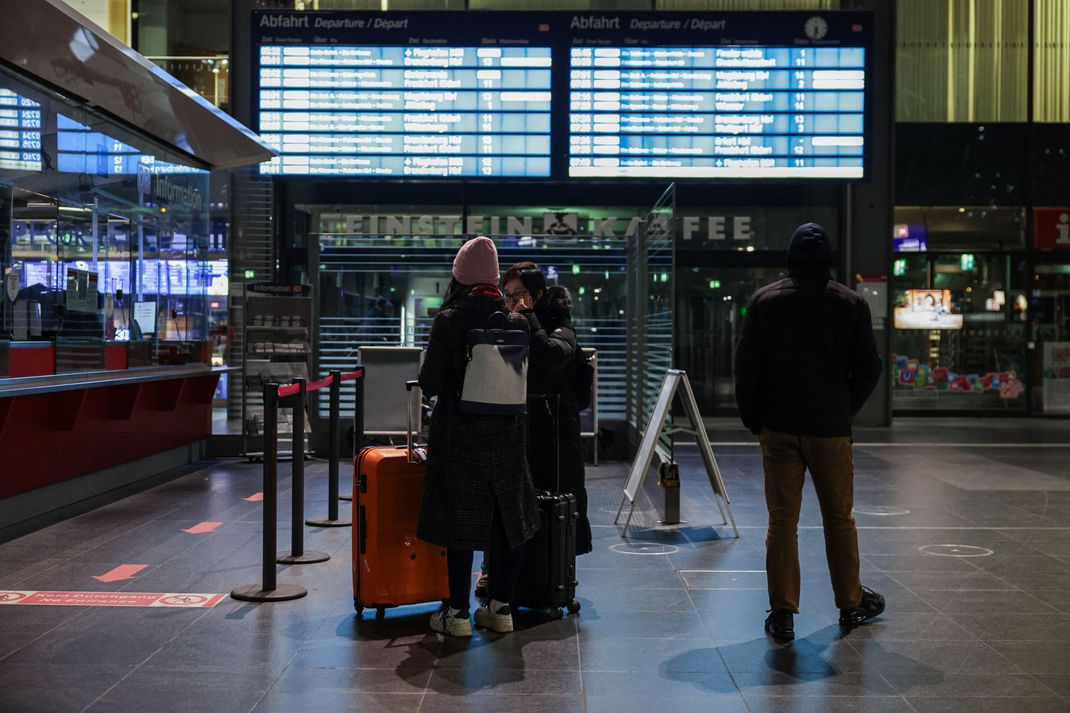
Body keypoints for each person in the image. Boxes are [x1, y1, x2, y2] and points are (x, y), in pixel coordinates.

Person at [734, 223, 885, 642]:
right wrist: (844, 406)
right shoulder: (850, 304)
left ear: (790, 257)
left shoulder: (764, 302)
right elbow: (870, 366)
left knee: (782, 520)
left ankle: (783, 614)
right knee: (839, 519)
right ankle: (850, 603)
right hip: (830, 429)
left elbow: (746, 367)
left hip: (780, 427)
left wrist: (755, 418)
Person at [417, 237, 541, 638]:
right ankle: (501, 609)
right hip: (507, 437)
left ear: (459, 277)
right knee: (511, 518)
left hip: (459, 437)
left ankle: (456, 615)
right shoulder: (517, 321)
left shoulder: (451, 319)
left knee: (459, 524)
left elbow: (431, 382)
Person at [503, 262, 593, 556]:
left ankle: (553, 567)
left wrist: (528, 318)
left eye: (521, 293)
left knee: (554, 495)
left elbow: (550, 357)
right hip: (519, 424)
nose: (514, 301)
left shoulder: (560, 326)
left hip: (554, 430)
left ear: (537, 294)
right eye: (508, 294)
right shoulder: (507, 323)